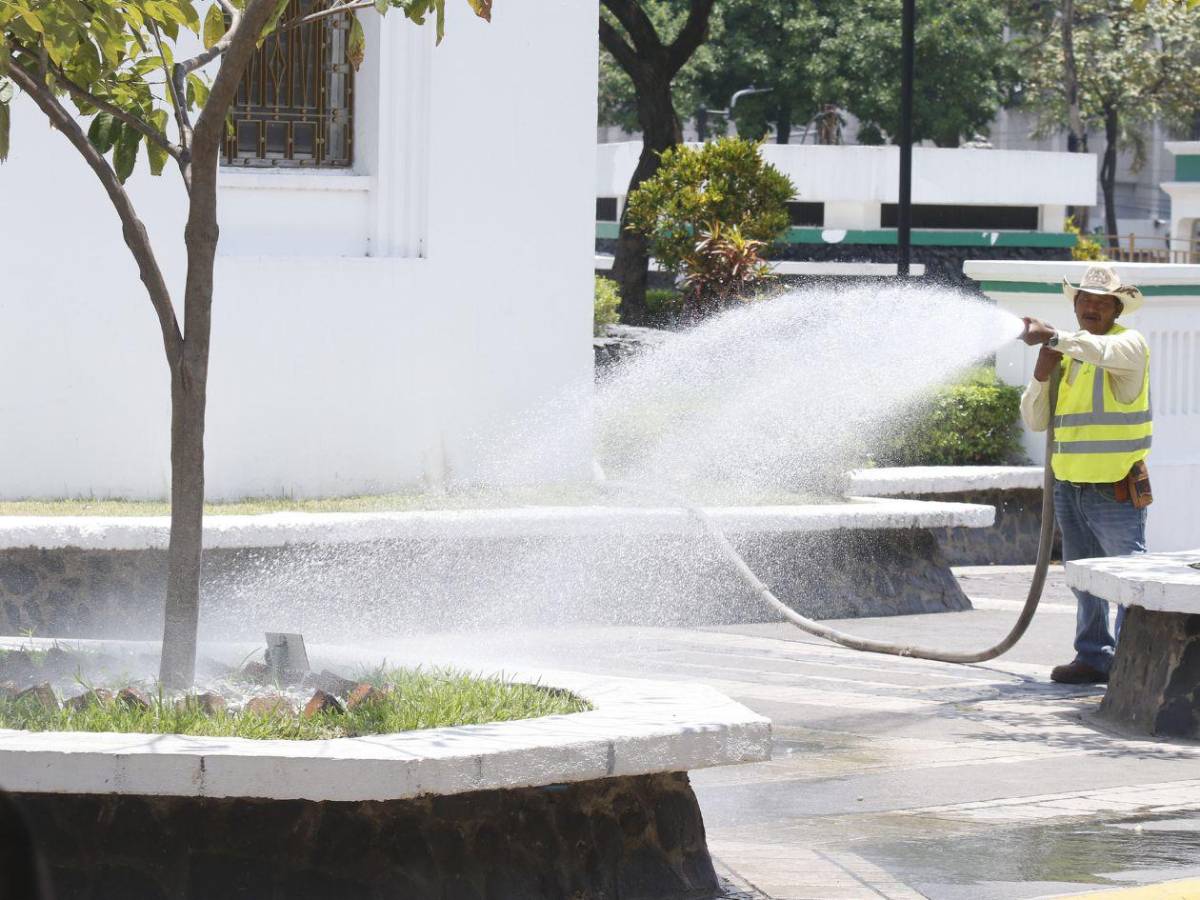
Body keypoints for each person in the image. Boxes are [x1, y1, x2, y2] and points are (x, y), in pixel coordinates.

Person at [1020, 263, 1152, 685]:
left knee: (1129, 579)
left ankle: (1134, 661)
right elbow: (1036, 420)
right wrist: (1042, 374)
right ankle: (1094, 657)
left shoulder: (1129, 344)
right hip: (1069, 487)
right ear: (1075, 305)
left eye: (1101, 302)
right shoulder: (1068, 353)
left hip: (1113, 488)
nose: (1091, 307)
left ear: (1117, 310)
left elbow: (1102, 352)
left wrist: (1055, 338)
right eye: (1085, 300)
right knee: (1084, 579)